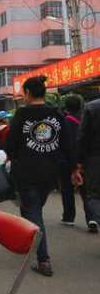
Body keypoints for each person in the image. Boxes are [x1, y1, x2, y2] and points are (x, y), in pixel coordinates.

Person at [6, 76, 72, 277]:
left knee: (33, 212)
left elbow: (10, 145)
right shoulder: (58, 114)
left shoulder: (22, 114)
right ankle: (29, 243)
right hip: (50, 172)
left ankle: (43, 260)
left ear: (27, 93)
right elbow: (67, 144)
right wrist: (72, 168)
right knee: (32, 208)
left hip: (27, 172)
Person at [59, 96, 93, 229]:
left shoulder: (65, 122)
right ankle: (91, 218)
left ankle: (68, 217)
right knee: (86, 190)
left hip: (67, 161)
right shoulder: (85, 119)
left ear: (66, 107)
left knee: (67, 189)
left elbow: (63, 144)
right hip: (84, 161)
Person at [72, 97, 100, 234]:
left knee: (94, 194)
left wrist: (78, 162)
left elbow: (82, 136)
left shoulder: (91, 107)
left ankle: (95, 217)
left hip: (95, 159)